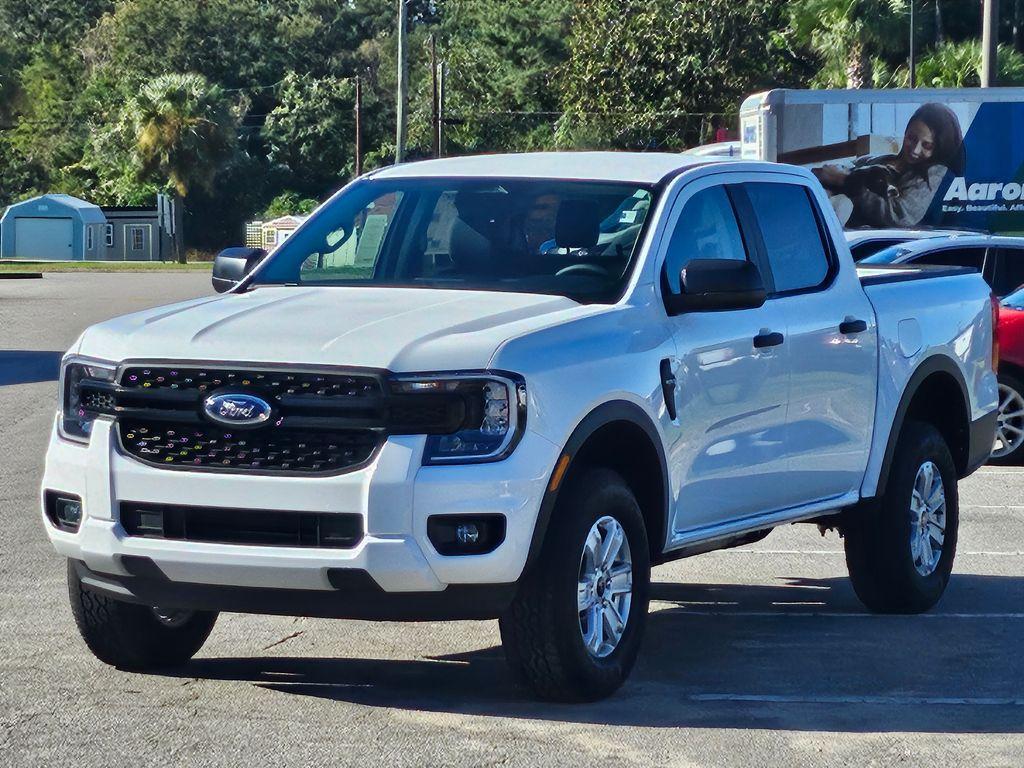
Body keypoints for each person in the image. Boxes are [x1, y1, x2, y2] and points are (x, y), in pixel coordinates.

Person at [812, 103, 964, 227]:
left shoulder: (936, 174)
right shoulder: (876, 160)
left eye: (927, 146)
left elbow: (899, 217)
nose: (915, 150)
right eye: (911, 138)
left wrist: (846, 181)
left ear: (939, 149)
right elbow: (826, 172)